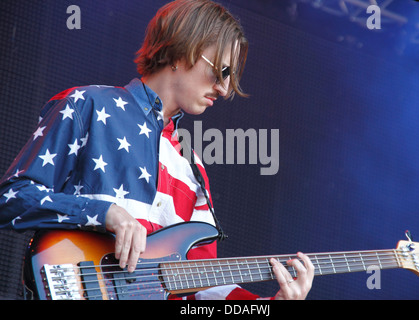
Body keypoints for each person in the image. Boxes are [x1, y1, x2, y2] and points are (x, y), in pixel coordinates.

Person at [0, 0, 314, 300]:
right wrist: (103, 214)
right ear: (181, 51)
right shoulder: (89, 105)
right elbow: (10, 199)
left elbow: (198, 288)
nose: (224, 89)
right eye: (221, 71)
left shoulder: (192, 167)